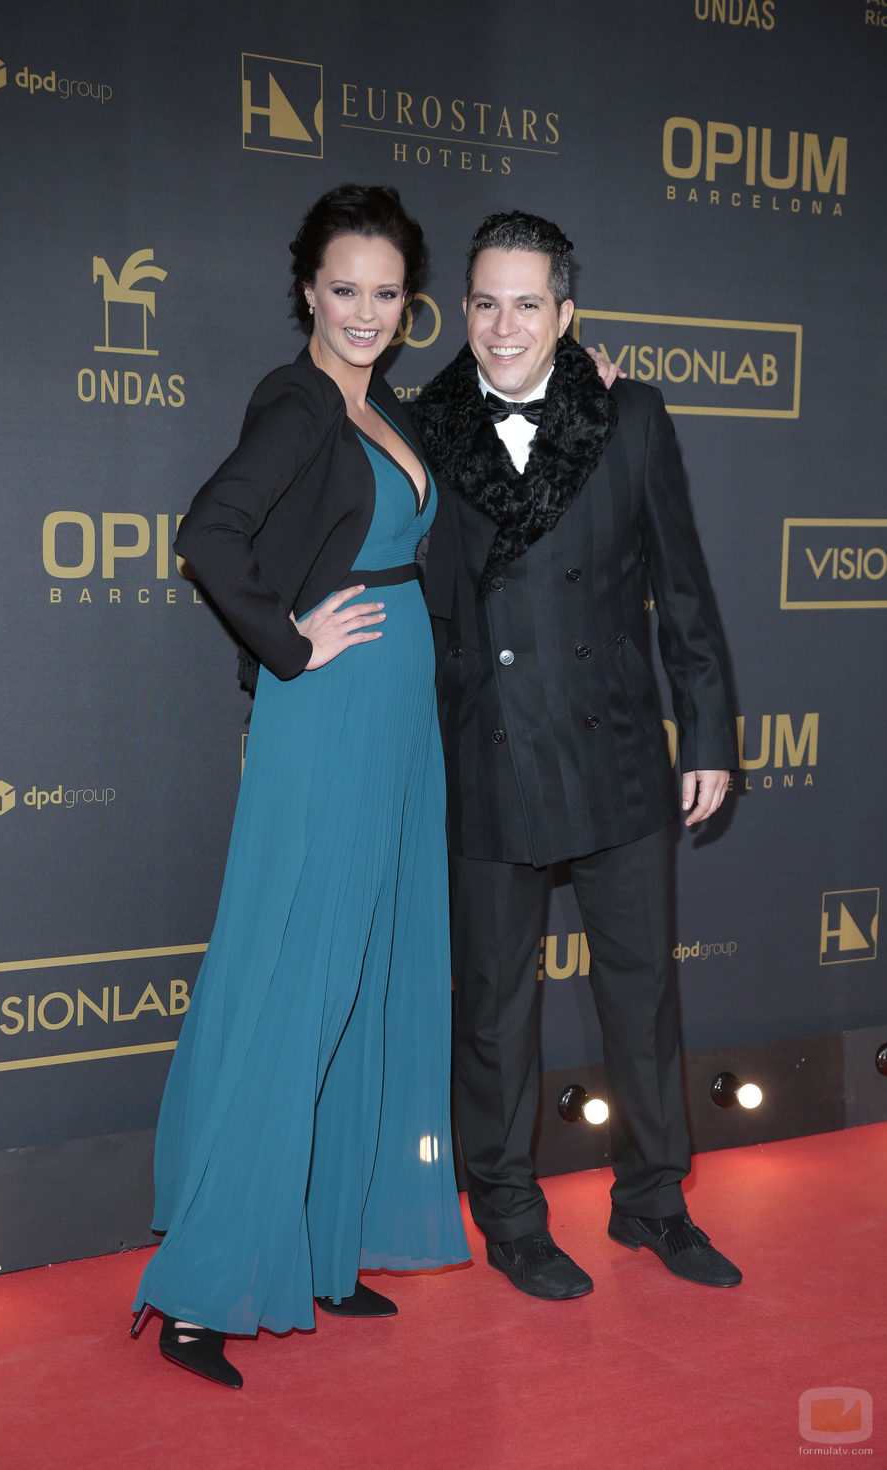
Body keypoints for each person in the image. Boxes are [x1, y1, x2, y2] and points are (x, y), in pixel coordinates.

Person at [130, 184, 469, 1388]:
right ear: (306, 293)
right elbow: (206, 533)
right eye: (344, 289)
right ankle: (201, 1289)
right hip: (328, 708)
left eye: (385, 293)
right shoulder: (295, 400)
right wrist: (288, 640)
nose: (366, 311)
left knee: (366, 972)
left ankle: (321, 1247)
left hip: (393, 713)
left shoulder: (381, 406)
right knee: (296, 977)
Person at [413, 210, 741, 1301]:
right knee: (495, 1009)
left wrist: (703, 731)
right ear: (462, 311)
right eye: (482, 303)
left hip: (613, 751)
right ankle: (506, 1214)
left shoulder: (628, 416)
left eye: (525, 304)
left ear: (566, 314)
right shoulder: (422, 427)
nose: (502, 327)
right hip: (487, 754)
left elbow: (680, 587)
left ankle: (653, 1201)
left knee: (641, 998)